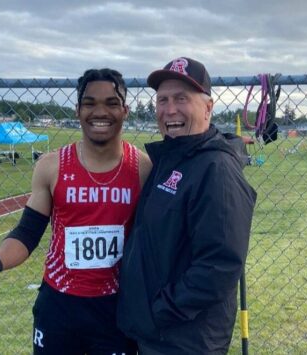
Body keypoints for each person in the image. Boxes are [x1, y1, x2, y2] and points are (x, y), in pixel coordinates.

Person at [0, 68, 152, 355]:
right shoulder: (52, 166)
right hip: (59, 306)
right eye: (89, 103)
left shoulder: (144, 169)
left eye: (111, 103)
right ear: (77, 110)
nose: (100, 112)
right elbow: (28, 232)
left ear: (125, 110)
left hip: (116, 308)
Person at [117, 57, 257, 355]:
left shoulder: (216, 169)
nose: (170, 110)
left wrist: (159, 312)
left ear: (208, 107)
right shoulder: (172, 158)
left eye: (182, 98)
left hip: (184, 340)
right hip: (158, 334)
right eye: (162, 100)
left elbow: (220, 265)